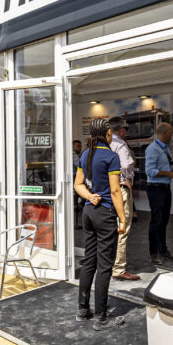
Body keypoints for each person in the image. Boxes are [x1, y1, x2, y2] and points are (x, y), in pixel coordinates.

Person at [74, 118, 128, 330]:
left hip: (88, 212)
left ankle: (83, 309)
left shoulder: (86, 154)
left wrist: (89, 196)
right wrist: (122, 219)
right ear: (106, 134)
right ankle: (102, 318)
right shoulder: (111, 156)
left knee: (90, 261)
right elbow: (115, 191)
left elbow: (78, 185)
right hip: (105, 215)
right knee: (105, 266)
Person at [108, 116, 141, 282]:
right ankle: (119, 268)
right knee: (122, 227)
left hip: (105, 190)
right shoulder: (120, 144)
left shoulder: (101, 143)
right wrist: (127, 180)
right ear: (121, 130)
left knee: (108, 228)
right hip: (119, 188)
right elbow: (127, 165)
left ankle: (108, 264)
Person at [144, 121, 173, 264]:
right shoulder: (153, 149)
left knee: (164, 222)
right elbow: (149, 171)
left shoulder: (164, 148)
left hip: (164, 189)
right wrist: (169, 174)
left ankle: (163, 250)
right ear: (165, 133)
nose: (172, 135)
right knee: (156, 222)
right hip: (156, 189)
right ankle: (153, 253)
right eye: (171, 132)